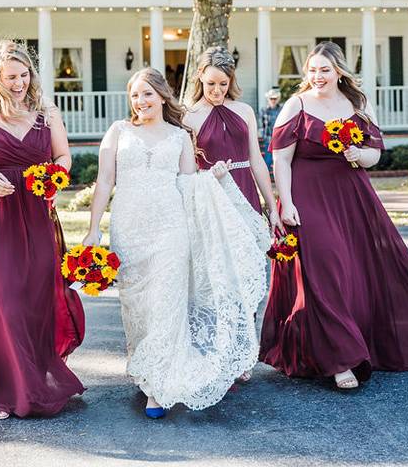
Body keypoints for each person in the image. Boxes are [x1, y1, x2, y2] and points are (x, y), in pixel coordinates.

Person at [259, 42, 408, 390]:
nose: (317, 76)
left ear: (339, 71)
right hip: (308, 196)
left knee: (356, 271)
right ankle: (342, 362)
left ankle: (354, 345)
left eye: (324, 69)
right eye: (312, 70)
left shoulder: (358, 105)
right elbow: (280, 158)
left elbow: (374, 156)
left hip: (352, 197)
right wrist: (286, 202)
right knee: (326, 268)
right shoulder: (298, 104)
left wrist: (356, 152)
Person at [82, 68, 269, 418]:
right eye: (135, 95)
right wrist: (94, 230)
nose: (141, 102)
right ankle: (145, 367)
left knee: (167, 304)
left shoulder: (179, 135)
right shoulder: (118, 132)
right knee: (139, 307)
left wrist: (210, 179)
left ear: (163, 97)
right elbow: (105, 181)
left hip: (171, 228)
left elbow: (188, 183)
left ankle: (159, 387)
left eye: (148, 94)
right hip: (130, 227)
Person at [0, 40, 84, 419]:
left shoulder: (46, 113)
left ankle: (37, 379)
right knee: (3, 301)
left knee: (36, 298)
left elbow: (63, 157)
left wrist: (56, 178)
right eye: (11, 77)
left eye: (24, 75)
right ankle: (8, 392)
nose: (19, 83)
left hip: (38, 214)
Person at [184, 46, 280, 232]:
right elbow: (187, 173)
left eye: (223, 83)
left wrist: (272, 207)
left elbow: (257, 161)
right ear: (200, 76)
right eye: (211, 83)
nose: (217, 91)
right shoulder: (189, 117)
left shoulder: (245, 111)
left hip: (246, 190)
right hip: (213, 194)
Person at [259, 89, 282, 168]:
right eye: (271, 98)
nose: (273, 100)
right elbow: (262, 124)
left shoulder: (281, 110)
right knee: (268, 159)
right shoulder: (264, 110)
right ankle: (266, 178)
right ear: (268, 99)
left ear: (278, 99)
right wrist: (263, 135)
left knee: (279, 160)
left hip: (280, 138)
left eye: (275, 98)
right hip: (268, 138)